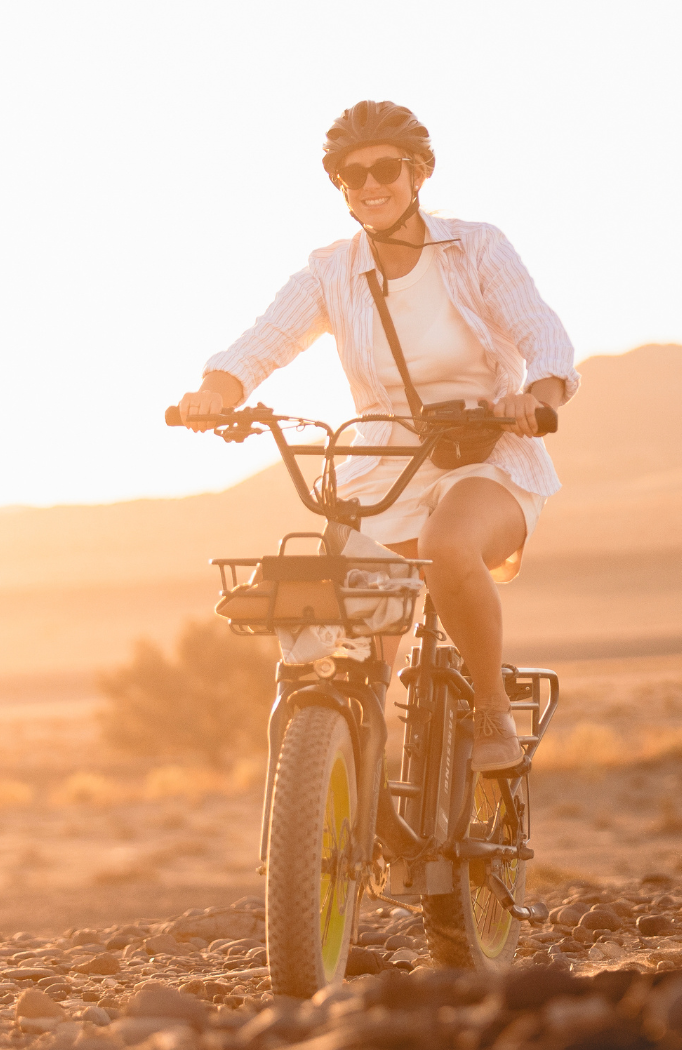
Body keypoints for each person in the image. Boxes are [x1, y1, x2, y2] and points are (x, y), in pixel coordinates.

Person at [173, 100, 578, 775]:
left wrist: (536, 398)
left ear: (420, 172)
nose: (367, 186)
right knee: (349, 644)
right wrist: (218, 391)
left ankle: (489, 713)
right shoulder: (332, 271)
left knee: (449, 545)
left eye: (384, 169)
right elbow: (269, 338)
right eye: (348, 176)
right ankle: (349, 785)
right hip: (386, 464)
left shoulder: (477, 247)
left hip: (489, 452)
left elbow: (544, 335)